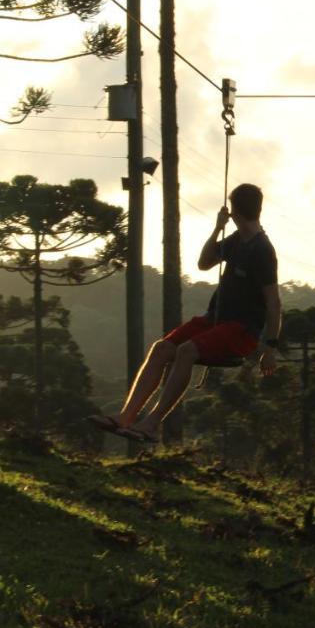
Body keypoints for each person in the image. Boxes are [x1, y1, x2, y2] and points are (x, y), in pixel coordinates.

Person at [89, 183, 281, 443]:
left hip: (241, 329)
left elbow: (273, 303)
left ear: (234, 211)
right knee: (162, 348)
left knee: (186, 350)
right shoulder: (237, 240)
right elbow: (204, 264)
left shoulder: (262, 250)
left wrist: (270, 348)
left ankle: (151, 423)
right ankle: (126, 417)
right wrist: (216, 229)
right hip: (215, 320)